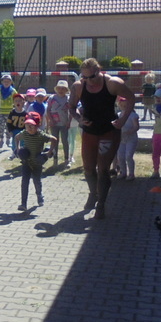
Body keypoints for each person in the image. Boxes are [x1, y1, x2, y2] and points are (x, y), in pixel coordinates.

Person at [68, 58, 137, 219]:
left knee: (103, 169)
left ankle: (101, 204)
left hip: (108, 131)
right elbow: (71, 107)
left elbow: (131, 98)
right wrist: (79, 118)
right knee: (88, 168)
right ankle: (93, 193)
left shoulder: (112, 83)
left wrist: (123, 119)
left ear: (99, 71)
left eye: (91, 77)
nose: (88, 81)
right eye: (84, 77)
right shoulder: (79, 86)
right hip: (89, 132)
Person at [14, 113, 57, 211]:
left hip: (37, 163)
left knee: (37, 181)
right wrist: (18, 149)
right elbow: (16, 137)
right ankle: (23, 204)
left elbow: (54, 139)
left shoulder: (41, 135)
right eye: (27, 125)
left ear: (37, 126)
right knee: (24, 182)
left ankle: (39, 195)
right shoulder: (24, 133)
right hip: (26, 162)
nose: (29, 128)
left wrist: (49, 153)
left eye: (32, 126)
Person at [46, 80, 73, 167]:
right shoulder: (52, 98)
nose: (61, 90)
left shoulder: (68, 99)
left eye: (63, 88)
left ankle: (67, 159)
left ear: (66, 90)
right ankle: (55, 158)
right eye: (59, 88)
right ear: (56, 89)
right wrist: (51, 120)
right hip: (54, 124)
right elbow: (48, 110)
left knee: (65, 141)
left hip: (64, 123)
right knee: (55, 141)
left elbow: (71, 111)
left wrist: (69, 122)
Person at [115, 97, 141, 180]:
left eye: (126, 106)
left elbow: (136, 127)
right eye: (122, 105)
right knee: (120, 156)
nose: (124, 107)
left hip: (131, 139)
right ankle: (123, 172)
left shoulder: (133, 115)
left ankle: (131, 174)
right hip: (122, 139)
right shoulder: (119, 115)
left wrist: (129, 132)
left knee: (128, 156)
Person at [0, 75, 17, 148]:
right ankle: (1, 139)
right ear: (2, 82)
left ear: (11, 82)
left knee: (8, 126)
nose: (6, 83)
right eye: (4, 81)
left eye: (8, 81)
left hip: (9, 111)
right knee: (1, 126)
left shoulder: (12, 91)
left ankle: (8, 138)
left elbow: (16, 97)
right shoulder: (0, 89)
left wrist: (15, 105)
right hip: (1, 111)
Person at [6, 94, 28, 160]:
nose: (18, 102)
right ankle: (14, 153)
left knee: (22, 142)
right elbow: (9, 123)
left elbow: (27, 123)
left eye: (20, 101)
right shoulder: (12, 112)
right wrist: (10, 131)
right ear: (13, 103)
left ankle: (21, 154)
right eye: (16, 101)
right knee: (14, 142)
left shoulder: (25, 113)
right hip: (14, 130)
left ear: (23, 102)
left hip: (22, 130)